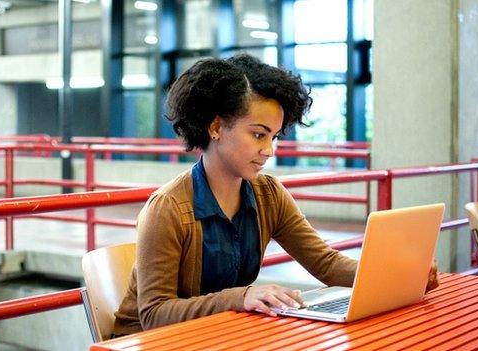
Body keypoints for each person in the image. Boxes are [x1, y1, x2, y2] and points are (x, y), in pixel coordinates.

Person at [112, 53, 439, 337]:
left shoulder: (268, 195)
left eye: (274, 137)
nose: (268, 150)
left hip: (218, 336)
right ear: (215, 127)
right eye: (258, 135)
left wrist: (394, 274)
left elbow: (323, 262)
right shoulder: (168, 208)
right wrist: (240, 297)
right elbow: (154, 315)